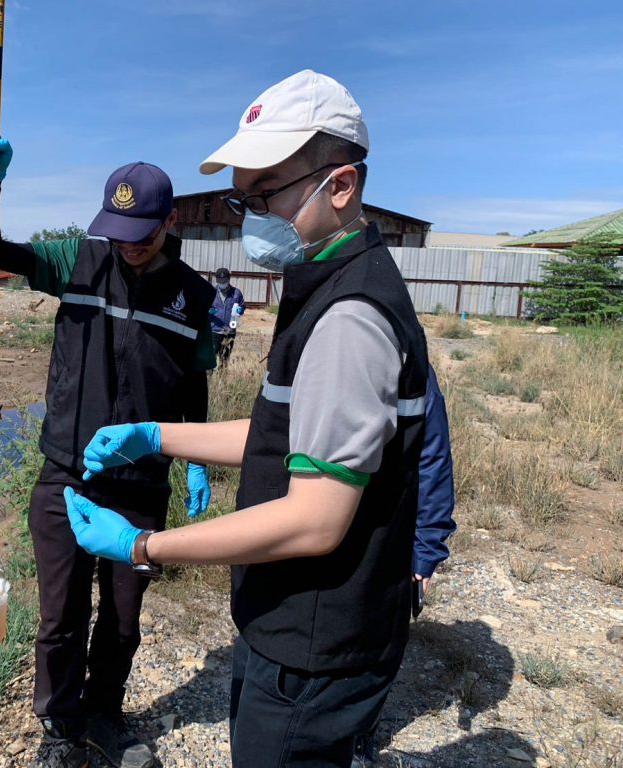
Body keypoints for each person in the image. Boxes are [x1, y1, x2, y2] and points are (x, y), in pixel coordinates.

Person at [62, 70, 431, 767]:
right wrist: (157, 435)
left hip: (314, 642)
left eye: (264, 196)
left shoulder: (349, 318)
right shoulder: (322, 282)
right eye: (242, 198)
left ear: (341, 185)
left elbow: (315, 520)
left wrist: (143, 546)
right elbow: (281, 434)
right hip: (289, 626)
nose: (247, 218)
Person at [0, 135, 217, 768]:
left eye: (142, 232)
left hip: (141, 486)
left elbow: (193, 384)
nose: (128, 244)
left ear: (171, 220)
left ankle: (105, 712)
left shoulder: (195, 296)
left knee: (124, 620)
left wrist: (195, 459)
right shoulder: (77, 260)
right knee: (61, 616)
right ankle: (59, 729)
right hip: (67, 476)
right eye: (118, 231)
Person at [353, 363, 456, 767]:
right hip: (320, 529)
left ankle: (358, 736)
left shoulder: (412, 367)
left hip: (386, 536)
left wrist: (426, 552)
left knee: (377, 643)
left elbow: (433, 457)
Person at [209, 267, 246, 365]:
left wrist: (240, 310)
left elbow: (242, 306)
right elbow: (203, 307)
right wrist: (208, 311)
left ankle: (223, 374)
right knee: (211, 359)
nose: (222, 283)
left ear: (229, 279)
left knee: (225, 360)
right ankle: (210, 375)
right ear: (216, 280)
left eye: (224, 280)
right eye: (220, 281)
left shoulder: (236, 293)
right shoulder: (211, 291)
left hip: (230, 331)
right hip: (214, 330)